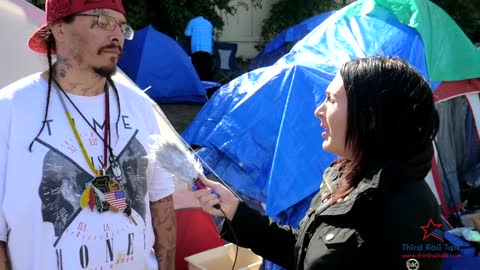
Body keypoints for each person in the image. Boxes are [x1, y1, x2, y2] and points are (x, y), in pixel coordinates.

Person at [193, 56, 443, 270]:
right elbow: (304, 248)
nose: (318, 111)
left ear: (371, 117)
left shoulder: (410, 211)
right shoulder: (342, 175)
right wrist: (237, 212)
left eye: (331, 100)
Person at [0, 0, 176, 269]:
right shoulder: (10, 108)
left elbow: (160, 199)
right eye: (104, 21)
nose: (117, 34)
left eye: (122, 27)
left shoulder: (139, 105)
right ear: (59, 28)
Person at [184, 15, 214, 81]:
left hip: (196, 50)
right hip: (208, 52)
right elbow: (211, 36)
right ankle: (208, 89)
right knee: (207, 73)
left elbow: (187, 34)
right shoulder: (209, 24)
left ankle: (198, 89)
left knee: (197, 72)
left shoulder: (193, 21)